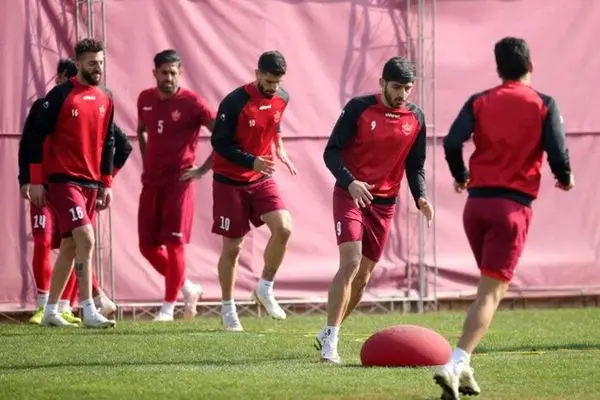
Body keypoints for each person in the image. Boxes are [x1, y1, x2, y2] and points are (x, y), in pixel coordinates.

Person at [434, 37, 573, 399]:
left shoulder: (479, 100)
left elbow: (452, 142)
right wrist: (565, 176)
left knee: (488, 289)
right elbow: (557, 150)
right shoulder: (543, 103)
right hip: (511, 209)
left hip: (475, 207)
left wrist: (461, 175)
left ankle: (465, 371)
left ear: (498, 69)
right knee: (490, 294)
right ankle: (454, 363)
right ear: (531, 65)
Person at [316, 56, 434, 364]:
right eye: (396, 87)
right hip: (350, 195)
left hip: (385, 203)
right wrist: (351, 182)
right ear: (382, 83)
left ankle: (330, 330)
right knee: (351, 262)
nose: (402, 94)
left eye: (408, 88)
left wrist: (421, 197)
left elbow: (415, 165)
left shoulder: (416, 117)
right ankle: (331, 340)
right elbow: (331, 153)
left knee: (364, 276)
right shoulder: (358, 108)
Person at [19, 59, 133, 326]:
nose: (62, 84)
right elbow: (30, 141)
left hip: (87, 185)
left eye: (101, 63)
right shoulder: (49, 102)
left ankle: (57, 308)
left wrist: (106, 181)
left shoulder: (101, 100)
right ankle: (82, 305)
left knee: (72, 244)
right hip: (52, 184)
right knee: (60, 240)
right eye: (92, 64)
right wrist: (29, 180)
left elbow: (119, 144)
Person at [210, 50, 296, 331]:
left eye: (277, 82)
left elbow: (274, 121)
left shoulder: (282, 97)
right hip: (229, 181)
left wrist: (279, 146)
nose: (273, 87)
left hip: (261, 178)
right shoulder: (235, 102)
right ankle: (228, 309)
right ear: (257, 74)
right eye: (268, 81)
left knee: (284, 228)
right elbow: (219, 143)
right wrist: (251, 161)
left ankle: (265, 288)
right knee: (233, 248)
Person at [136, 49, 215, 322]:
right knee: (147, 247)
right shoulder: (145, 99)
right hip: (151, 183)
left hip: (179, 183)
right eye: (164, 72)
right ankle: (188, 287)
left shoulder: (193, 103)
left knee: (174, 244)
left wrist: (202, 169)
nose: (168, 78)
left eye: (173, 73)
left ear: (180, 73)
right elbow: (141, 130)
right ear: (155, 73)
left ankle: (168, 308)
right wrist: (146, 161)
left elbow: (222, 136)